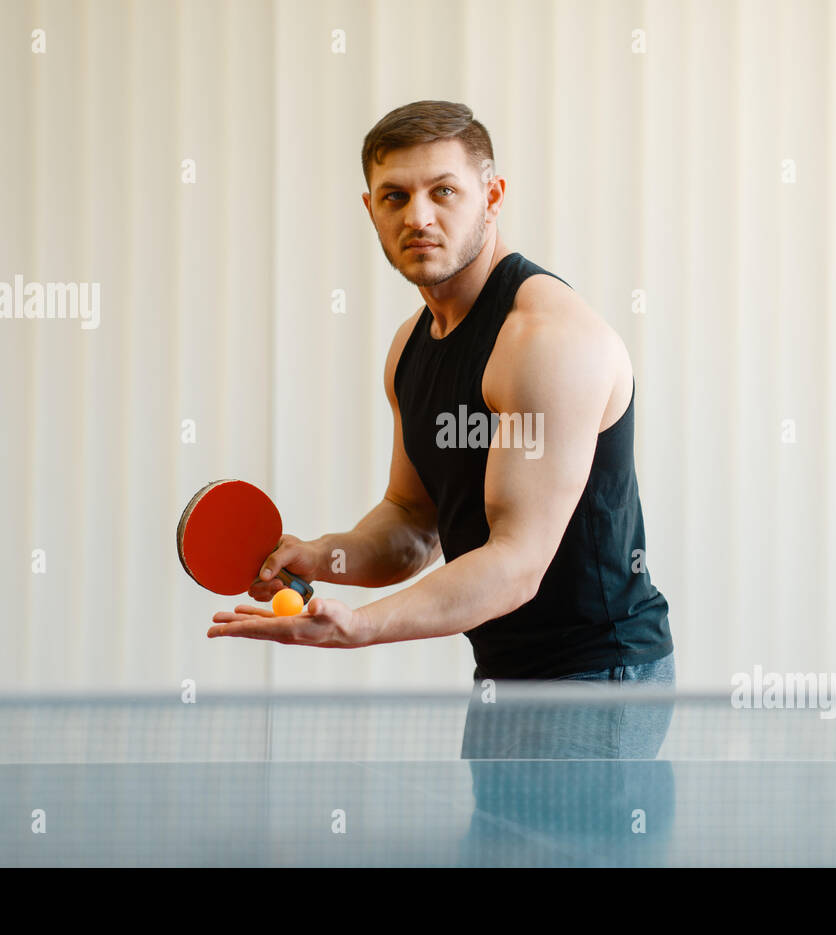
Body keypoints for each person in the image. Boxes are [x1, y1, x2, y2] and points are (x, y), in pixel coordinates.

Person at [208, 100, 675, 759]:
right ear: (370, 209)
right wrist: (318, 555)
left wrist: (360, 627)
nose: (418, 216)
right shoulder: (411, 348)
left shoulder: (545, 339)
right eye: (395, 196)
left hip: (597, 677)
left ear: (493, 196)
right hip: (503, 671)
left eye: (444, 191)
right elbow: (410, 521)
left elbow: (515, 564)